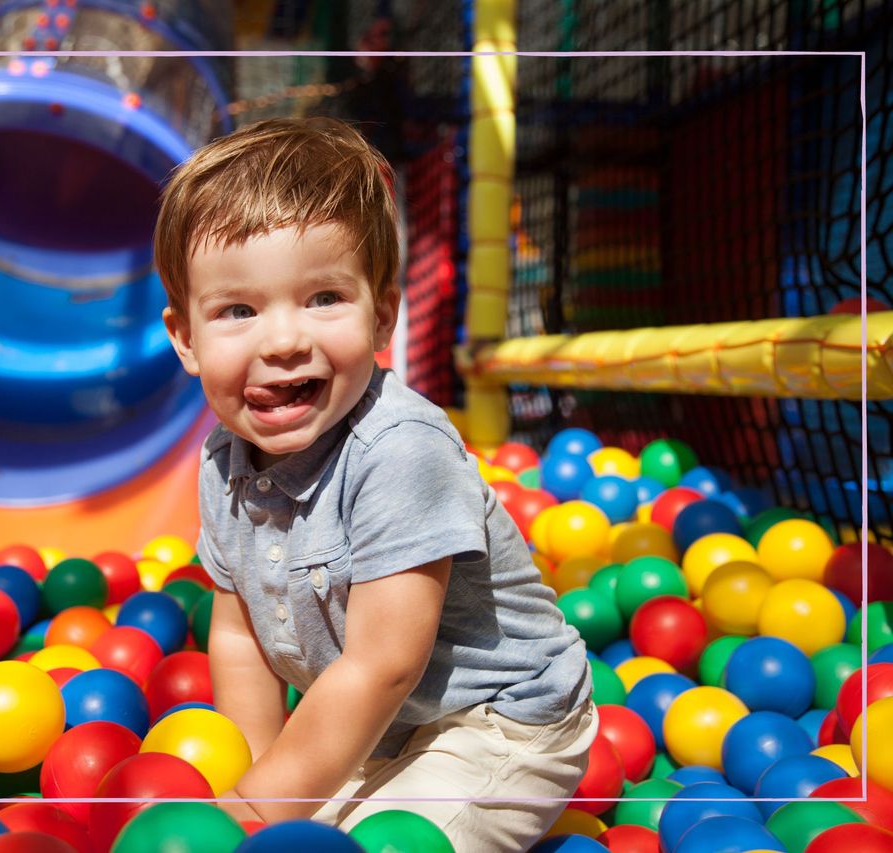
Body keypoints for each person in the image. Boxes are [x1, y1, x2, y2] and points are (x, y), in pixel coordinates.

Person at [154, 116, 596, 851]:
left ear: (382, 312)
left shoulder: (399, 450)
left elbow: (384, 663)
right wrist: (260, 776)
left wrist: (260, 807)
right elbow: (239, 637)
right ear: (185, 338)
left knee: (374, 844)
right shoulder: (220, 461)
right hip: (382, 729)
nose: (285, 339)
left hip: (498, 720)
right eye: (238, 310)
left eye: (324, 297)